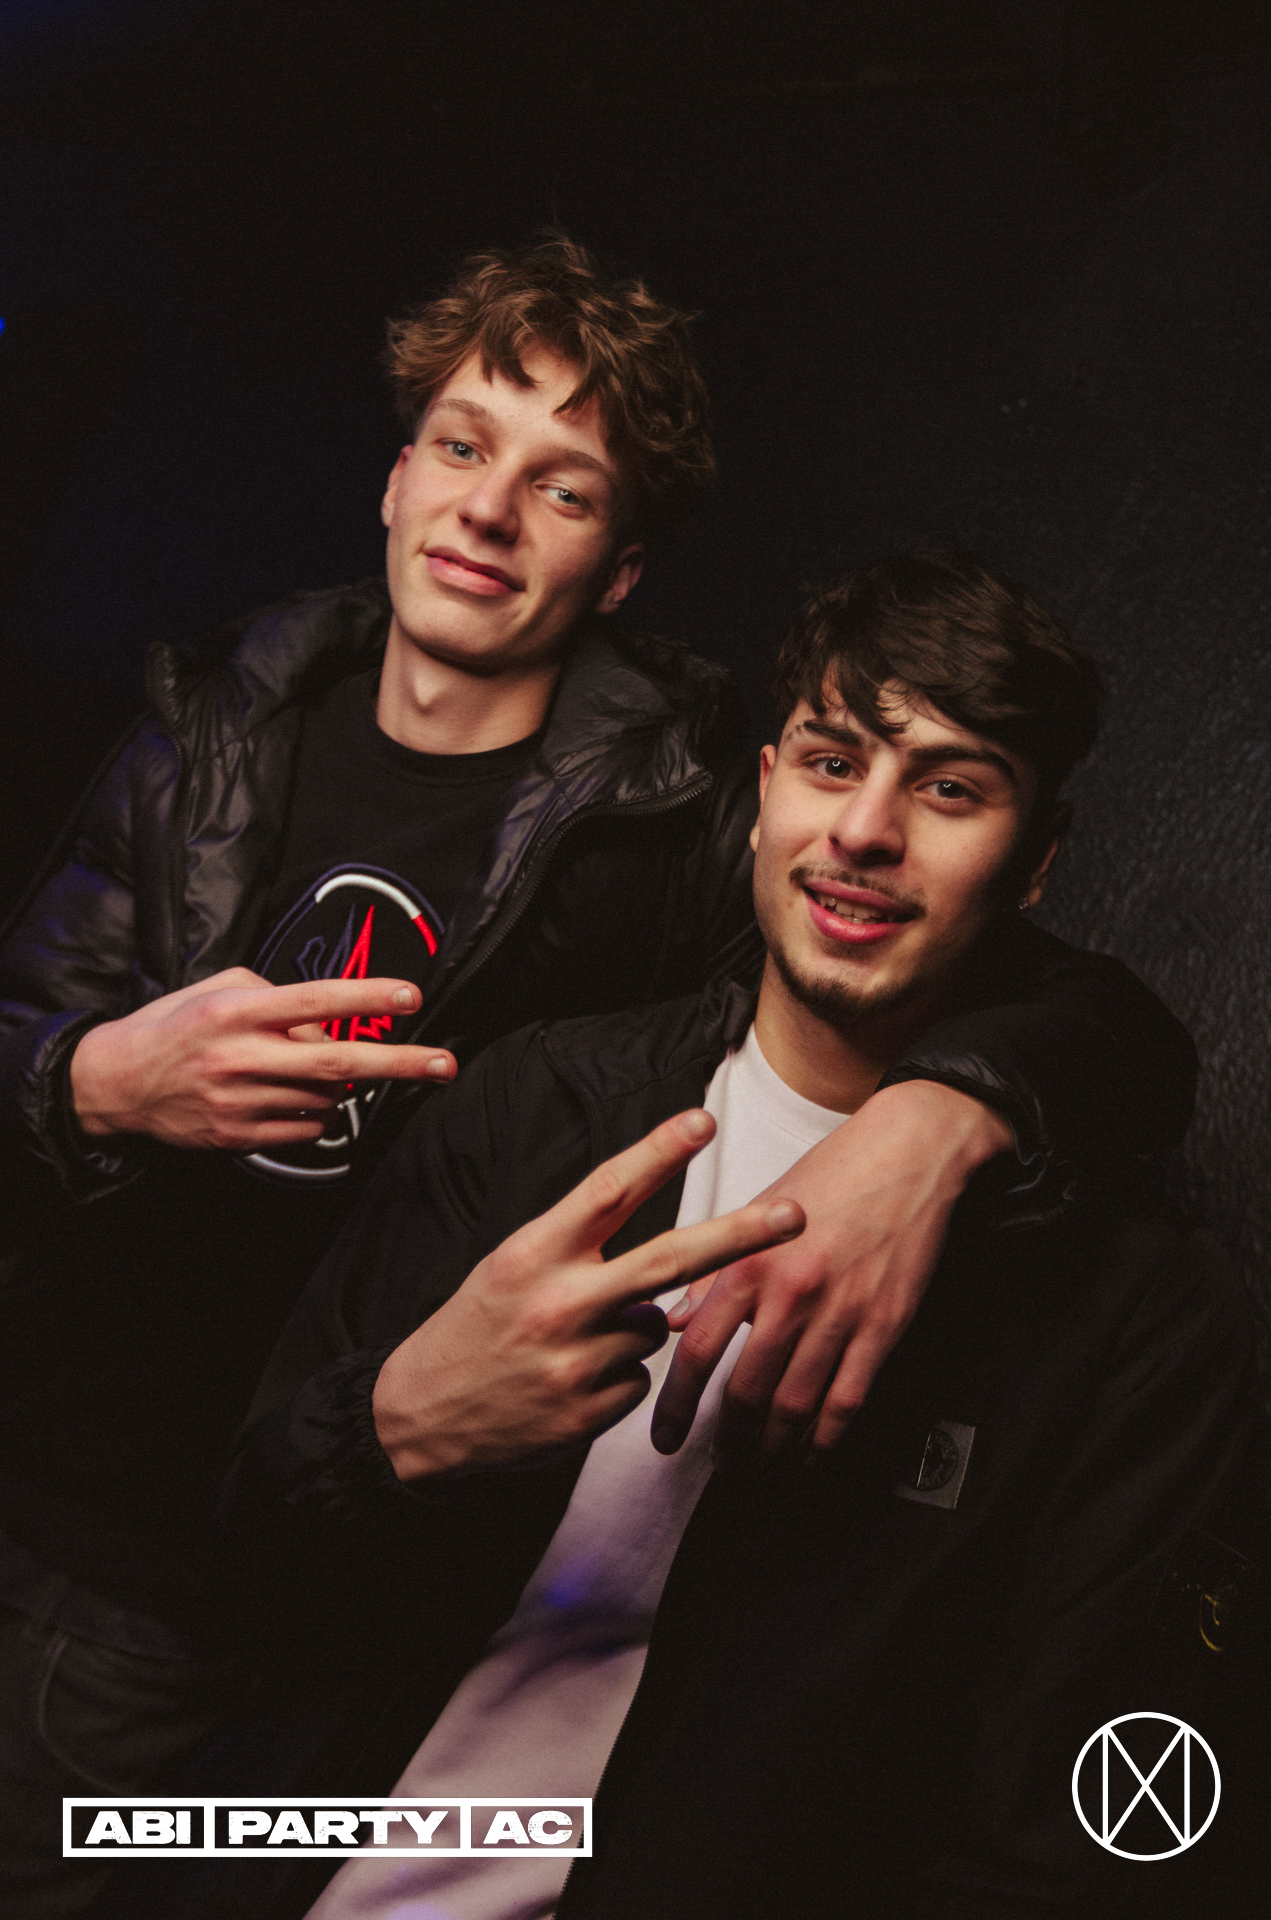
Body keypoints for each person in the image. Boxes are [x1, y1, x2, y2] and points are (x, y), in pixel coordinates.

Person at [0, 239, 1192, 1914]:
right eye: (463, 446)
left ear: (622, 568)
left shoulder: (682, 810)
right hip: (90, 1482)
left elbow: (1063, 1003)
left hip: (266, 1596)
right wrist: (92, 1083)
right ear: (397, 474)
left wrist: (932, 1122)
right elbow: (25, 1048)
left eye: (563, 489)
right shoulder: (210, 720)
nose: (489, 510)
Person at [218, 553, 1254, 1920]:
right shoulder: (543, 1106)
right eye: (832, 762)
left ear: (1038, 861)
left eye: (951, 789)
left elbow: (1079, 1842)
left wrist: (933, 1130)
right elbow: (245, 1574)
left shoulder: (1139, 1314)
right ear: (766, 790)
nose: (866, 830)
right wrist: (401, 1424)